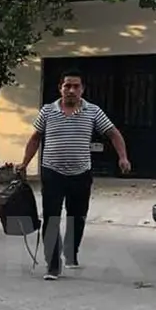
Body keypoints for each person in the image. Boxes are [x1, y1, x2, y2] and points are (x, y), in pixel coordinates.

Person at [18, 69, 130, 280]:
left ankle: (71, 252)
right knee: (51, 217)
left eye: (76, 86)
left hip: (81, 173)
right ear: (60, 88)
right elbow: (35, 138)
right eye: (67, 86)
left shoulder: (93, 111)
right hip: (52, 172)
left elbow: (113, 133)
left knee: (76, 217)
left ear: (82, 89)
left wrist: (122, 157)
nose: (71, 90)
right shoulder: (48, 111)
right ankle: (52, 265)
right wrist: (24, 163)